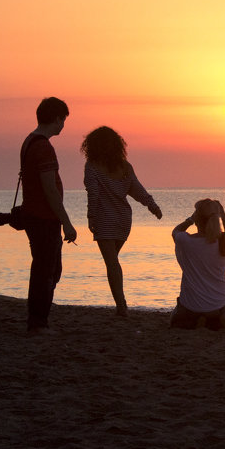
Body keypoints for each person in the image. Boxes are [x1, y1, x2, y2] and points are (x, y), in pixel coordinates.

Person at [80, 126, 162, 316]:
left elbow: (94, 193)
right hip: (123, 219)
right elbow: (138, 191)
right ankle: (120, 303)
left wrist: (91, 216)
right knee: (113, 261)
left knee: (112, 263)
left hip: (104, 218)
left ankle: (121, 305)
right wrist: (152, 206)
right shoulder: (125, 167)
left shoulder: (91, 166)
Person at [20, 97, 78, 335]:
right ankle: (38, 322)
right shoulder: (44, 147)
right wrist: (67, 223)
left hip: (34, 215)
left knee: (47, 269)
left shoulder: (29, 141)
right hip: (44, 217)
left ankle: (38, 318)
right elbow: (50, 190)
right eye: (63, 120)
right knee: (46, 271)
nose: (63, 125)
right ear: (56, 118)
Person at [170, 198, 225, 330]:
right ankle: (217, 318)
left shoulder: (186, 241)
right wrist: (222, 216)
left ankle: (197, 318)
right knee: (216, 315)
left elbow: (175, 231)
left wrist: (190, 219)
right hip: (219, 303)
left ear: (197, 219)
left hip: (191, 305)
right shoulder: (224, 241)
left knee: (174, 321)